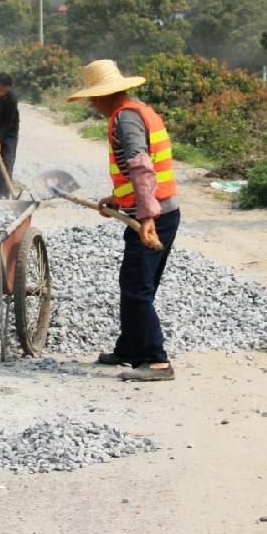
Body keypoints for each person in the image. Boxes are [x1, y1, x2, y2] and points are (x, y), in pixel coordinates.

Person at [67, 60, 180, 382]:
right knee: (140, 284)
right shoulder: (139, 111)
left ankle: (156, 361)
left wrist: (146, 216)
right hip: (162, 210)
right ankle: (129, 348)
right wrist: (118, 200)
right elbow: (140, 172)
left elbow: (141, 166)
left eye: (93, 99)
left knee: (136, 288)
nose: (93, 105)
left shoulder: (125, 119)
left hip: (155, 216)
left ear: (103, 96)